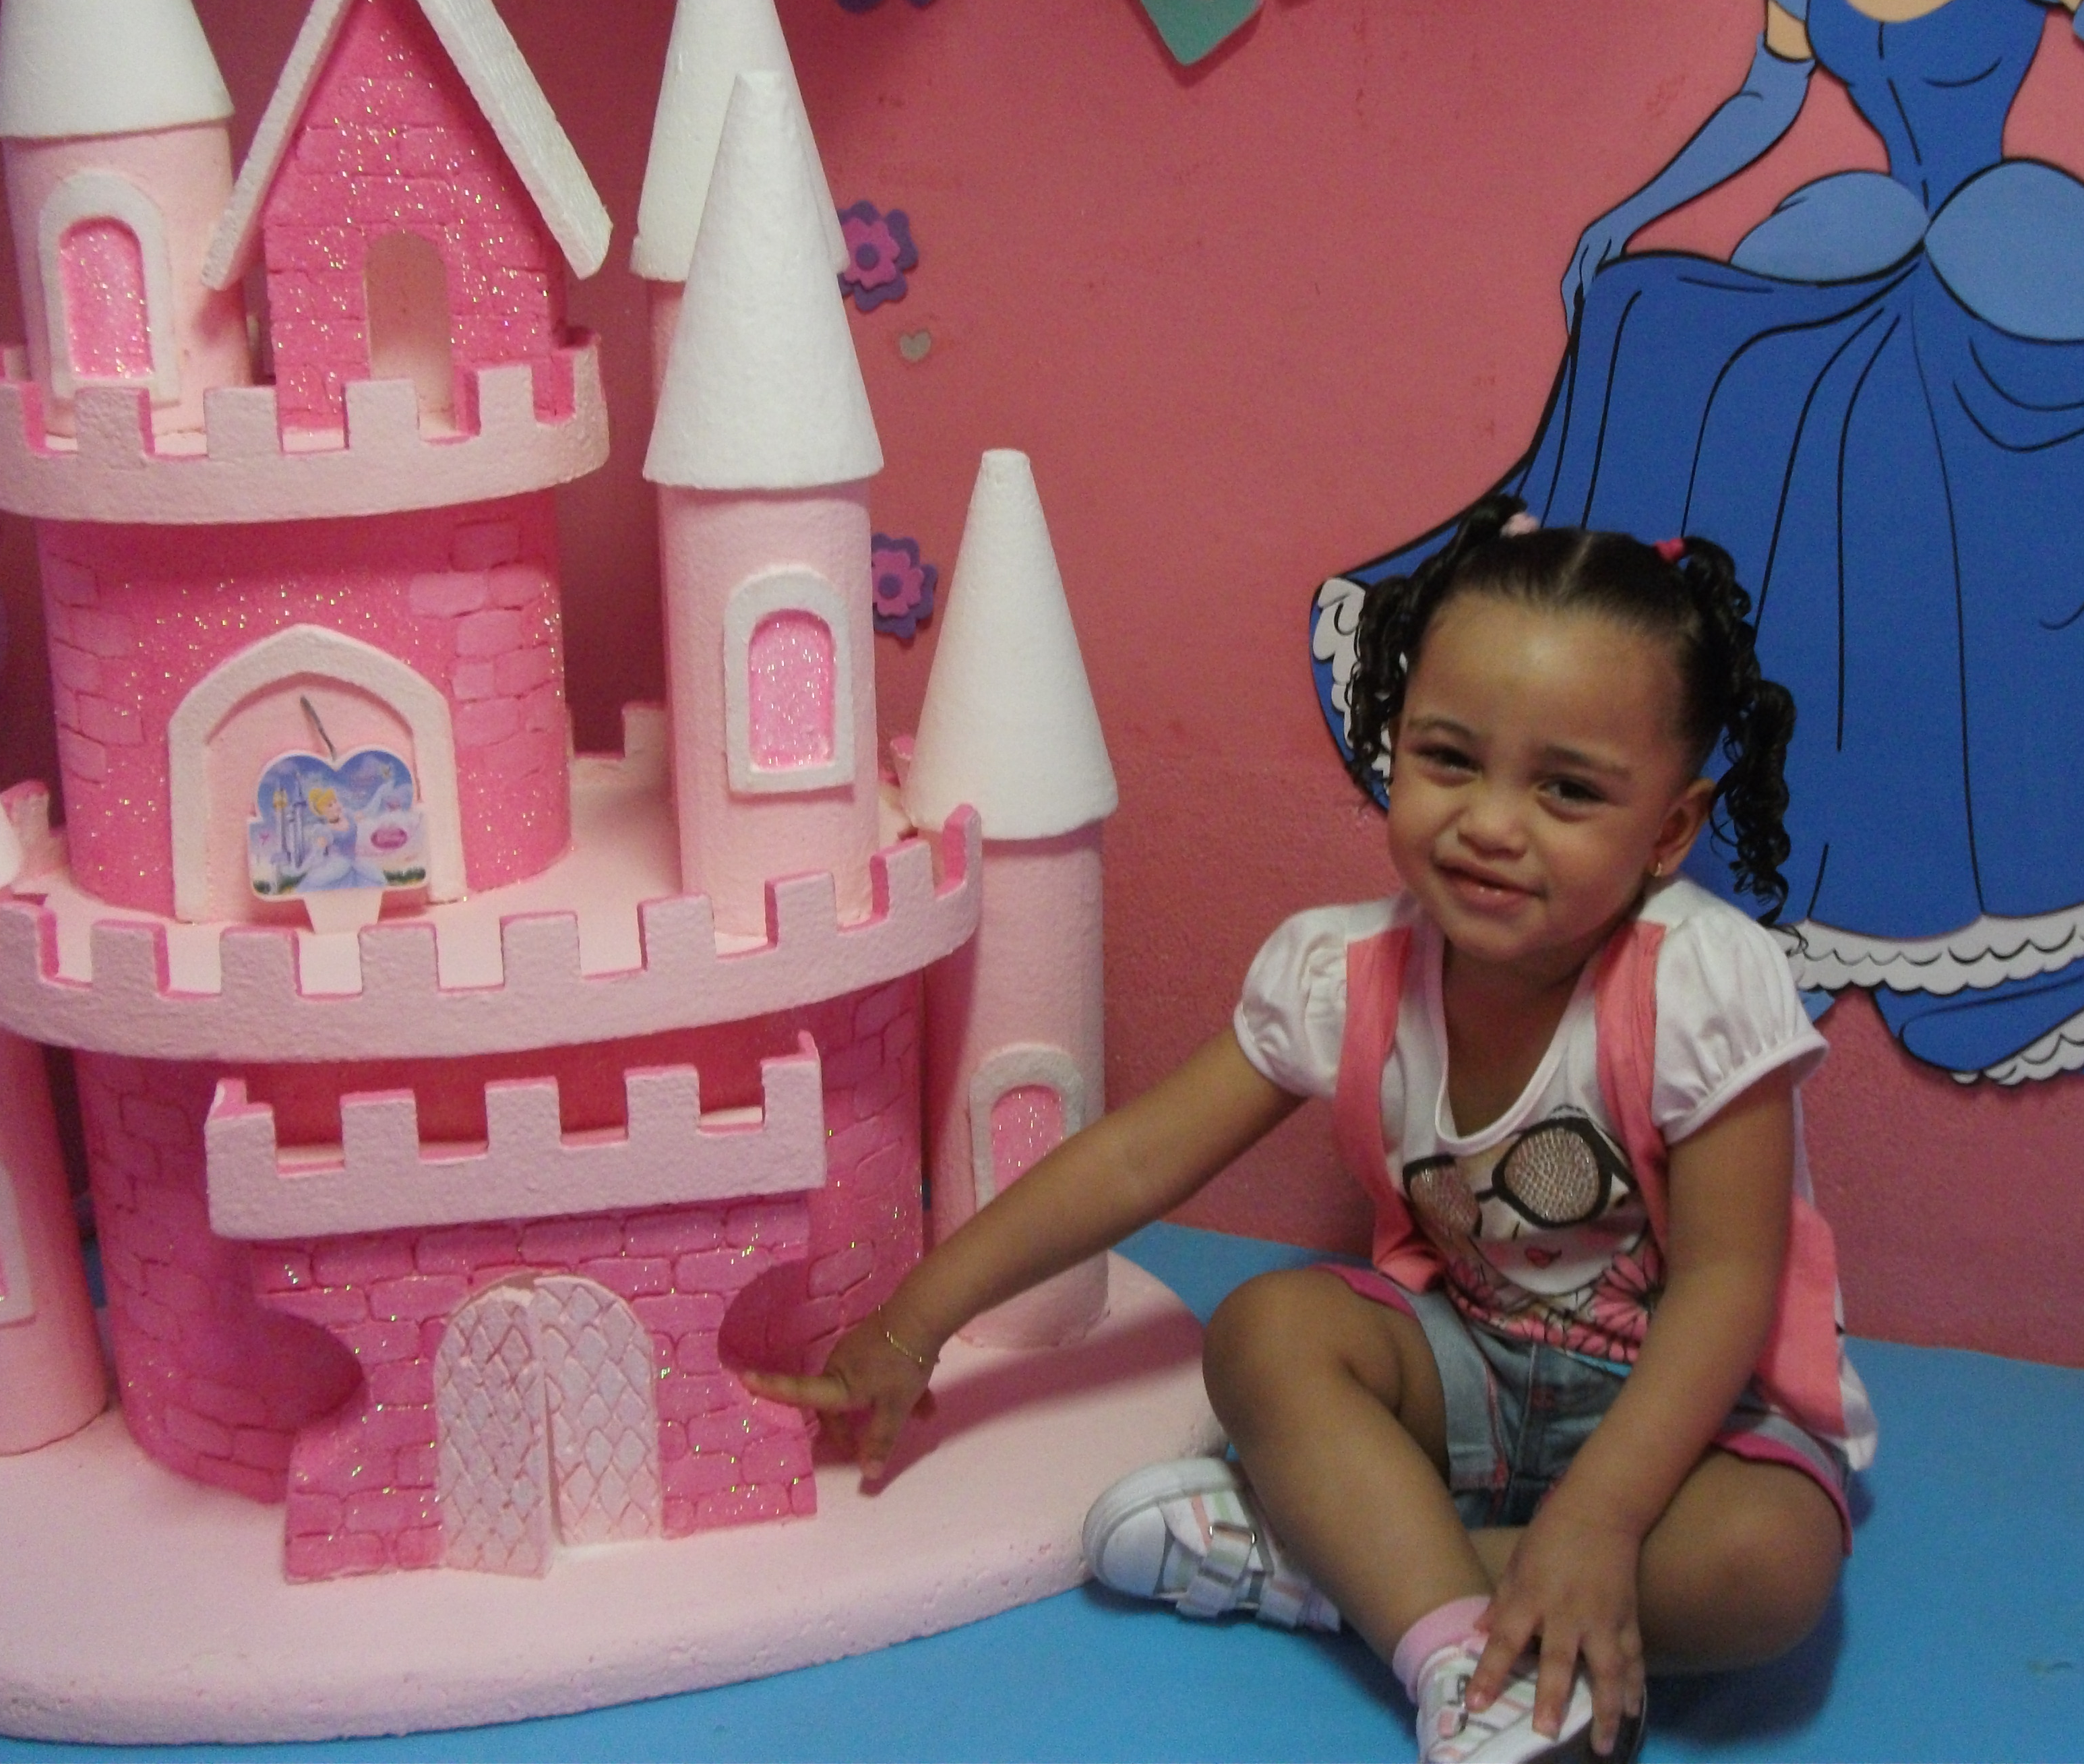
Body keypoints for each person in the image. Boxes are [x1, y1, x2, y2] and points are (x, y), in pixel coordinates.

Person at [752, 497, 1875, 1764]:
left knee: (1771, 1571)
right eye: (1450, 759)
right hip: (1473, 1368)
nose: (1492, 822)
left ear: (1669, 829)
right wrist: (913, 1322)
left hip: (1690, 1403)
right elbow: (1135, 1157)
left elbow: (1729, 1279)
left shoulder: (1703, 984)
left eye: (1567, 790)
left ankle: (1323, 1565)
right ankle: (1445, 1640)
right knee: (1270, 1329)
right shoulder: (1341, 974)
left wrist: (1602, 1522)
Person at [1312, 0, 2084, 1088]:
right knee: (1658, 316)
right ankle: (1653, 716)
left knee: (1894, 414)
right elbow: (1765, 101)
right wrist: (1631, 210)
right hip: (1870, 231)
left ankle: (1950, 836)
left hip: (2005, 241)